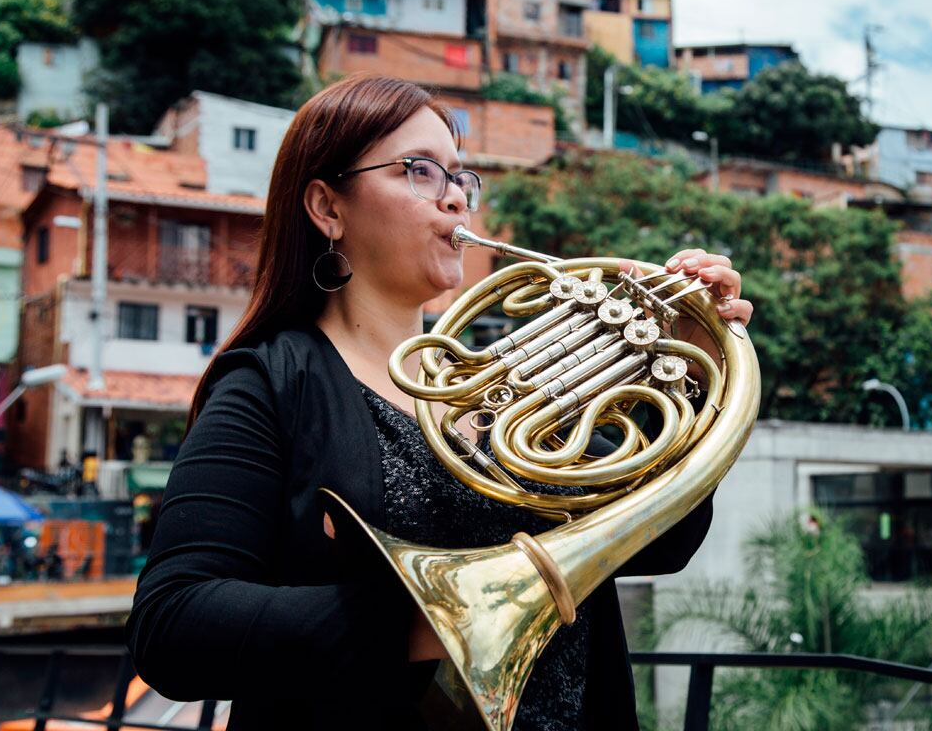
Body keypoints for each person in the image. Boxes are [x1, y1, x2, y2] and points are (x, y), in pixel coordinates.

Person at [124, 74, 754, 731]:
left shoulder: (499, 378)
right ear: (327, 207)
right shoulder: (272, 382)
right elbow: (173, 625)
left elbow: (660, 541)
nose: (456, 198)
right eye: (419, 171)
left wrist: (687, 367)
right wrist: (432, 621)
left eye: (460, 178)